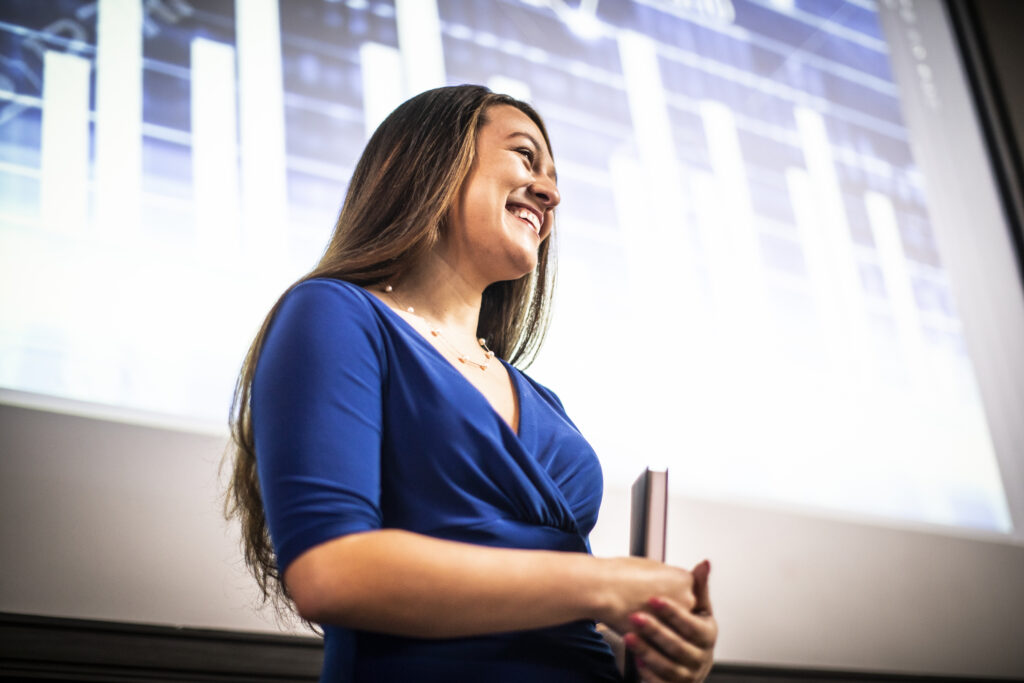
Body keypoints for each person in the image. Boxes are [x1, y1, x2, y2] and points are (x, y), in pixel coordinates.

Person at [226, 84, 717, 682]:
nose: (551, 192)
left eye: (553, 174)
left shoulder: (543, 402)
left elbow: (556, 629)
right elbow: (331, 572)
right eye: (524, 156)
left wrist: (655, 645)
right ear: (431, 163)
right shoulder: (334, 313)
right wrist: (605, 583)